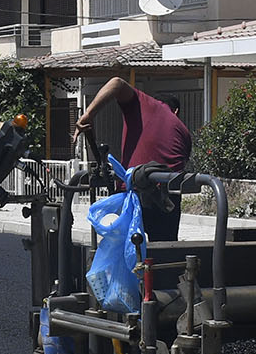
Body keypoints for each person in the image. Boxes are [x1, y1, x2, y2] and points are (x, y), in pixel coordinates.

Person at [75, 77, 193, 242]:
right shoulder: (184, 130)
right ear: (176, 111)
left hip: (135, 194)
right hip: (167, 200)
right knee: (164, 254)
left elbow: (116, 82)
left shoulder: (146, 104)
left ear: (157, 102)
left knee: (126, 250)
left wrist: (88, 114)